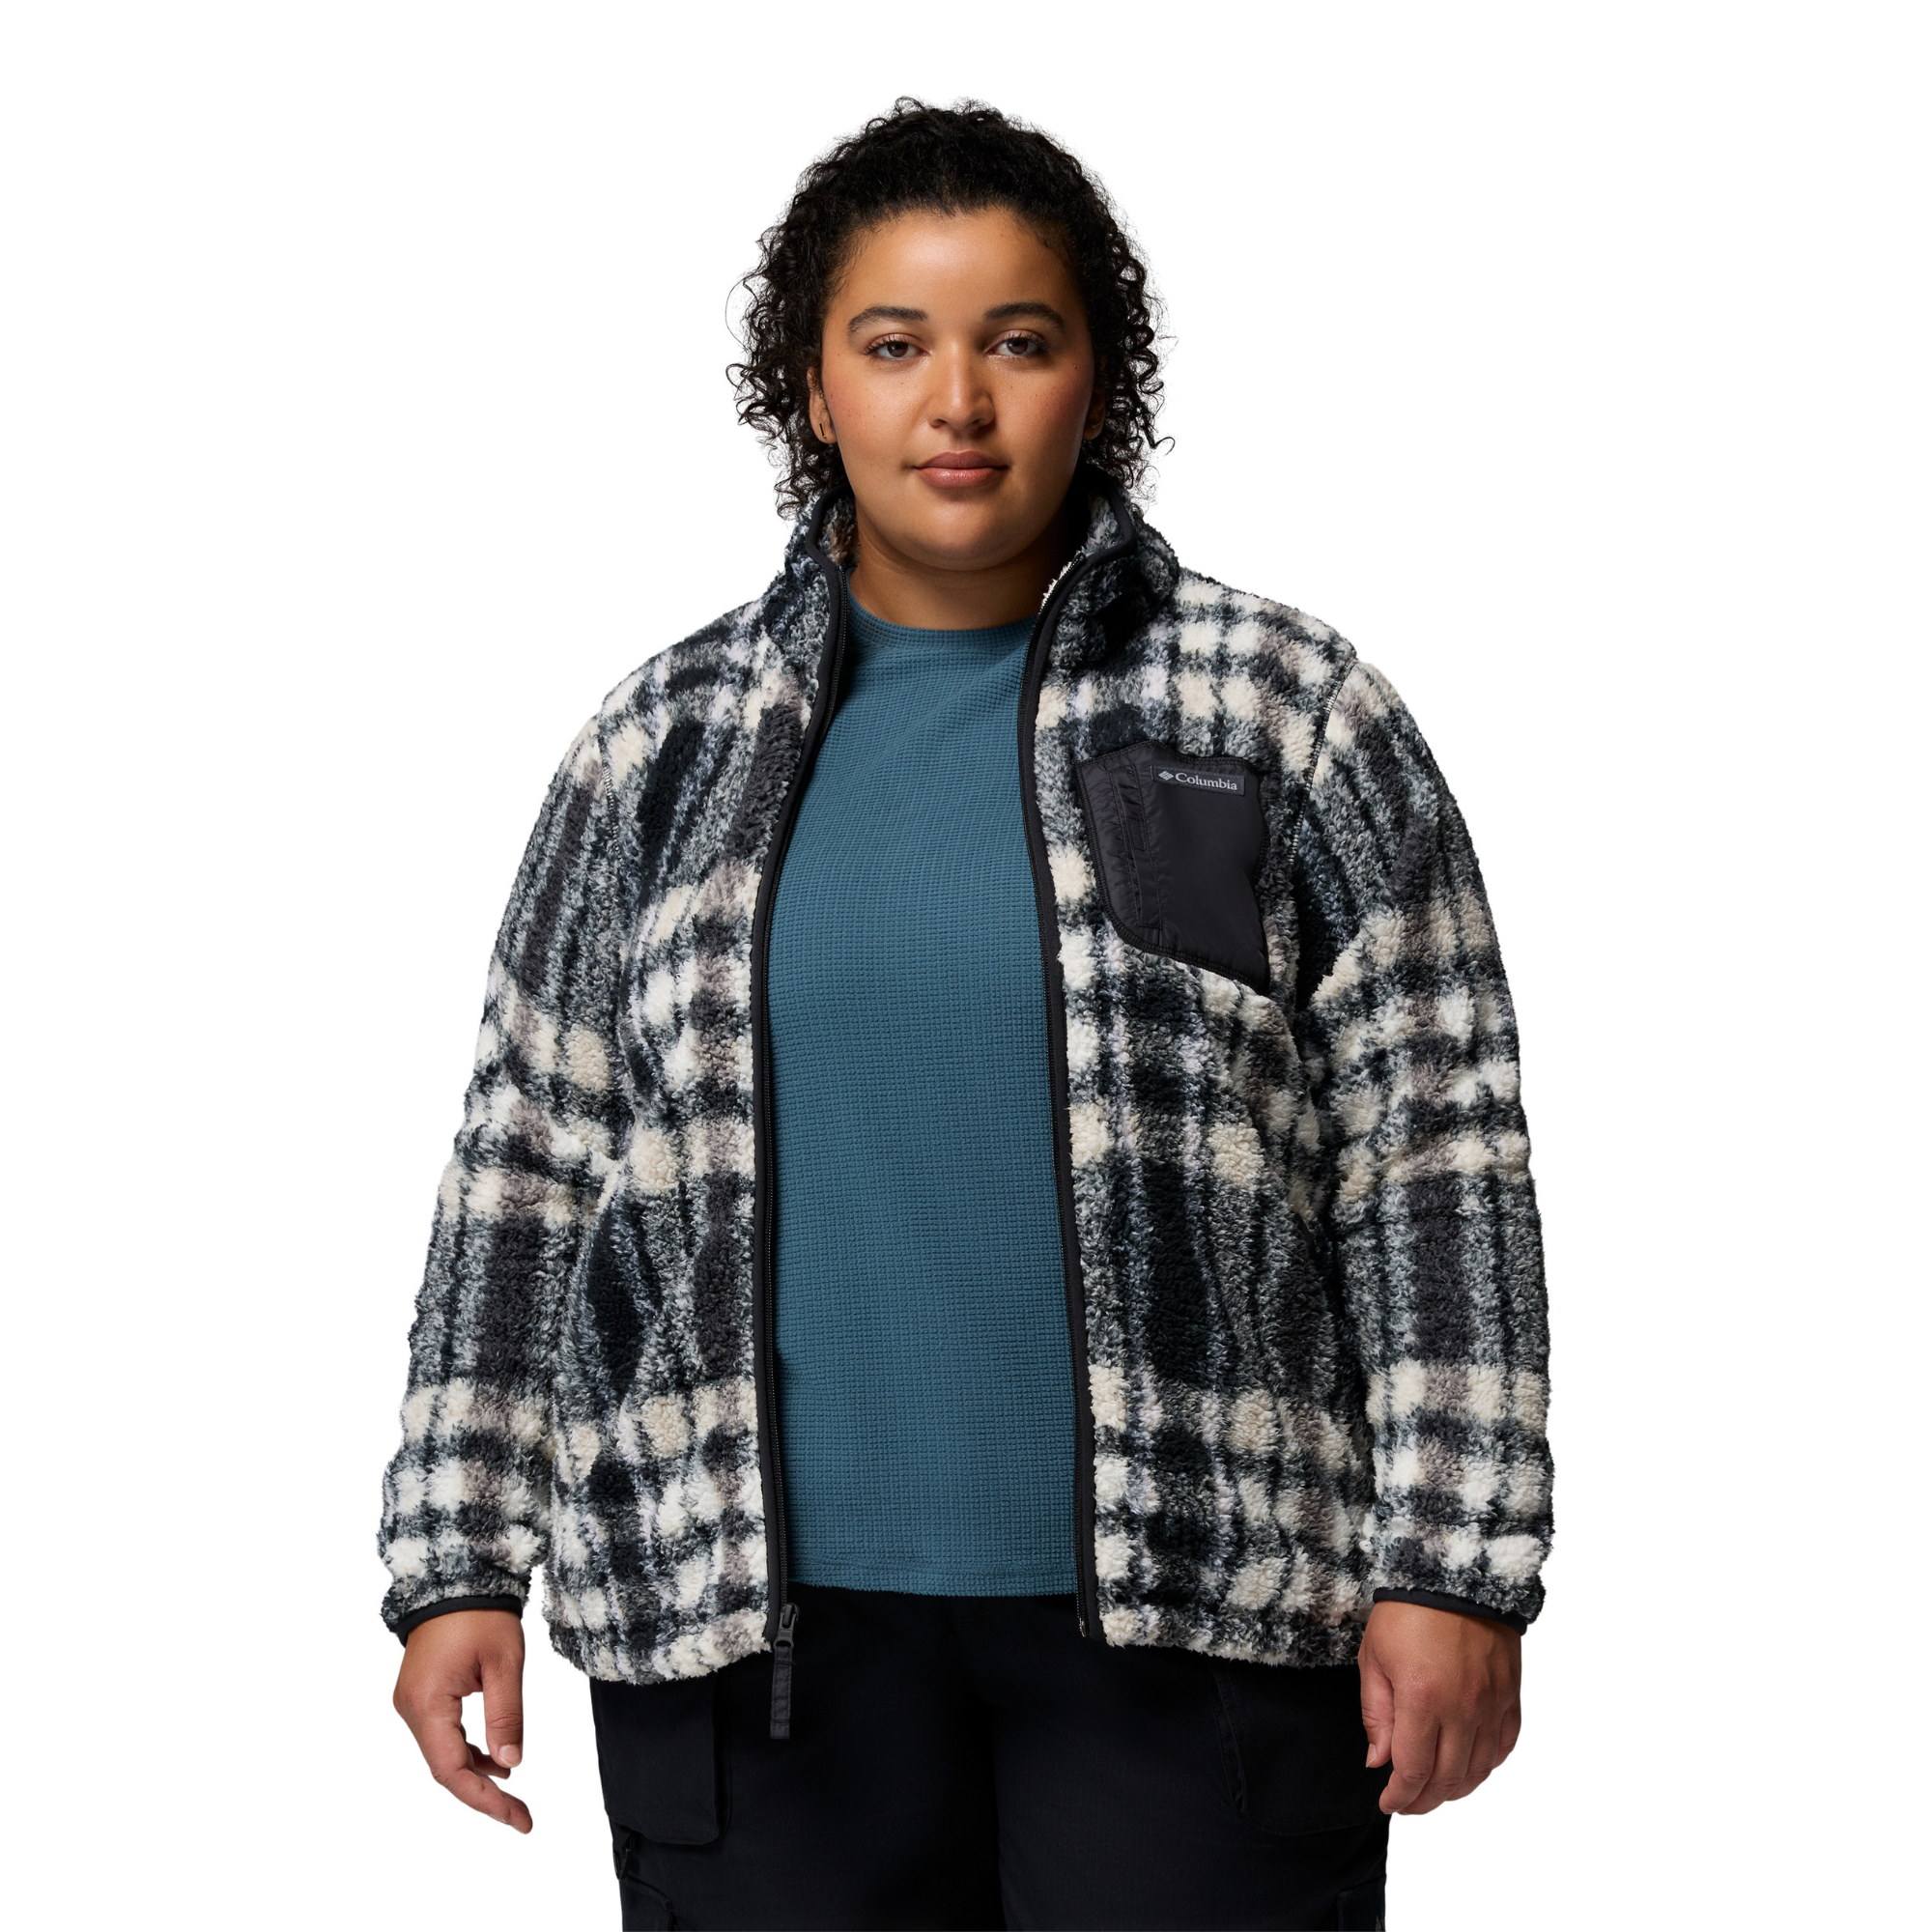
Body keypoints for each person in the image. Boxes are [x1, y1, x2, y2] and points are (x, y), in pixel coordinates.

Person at [378, 98, 1552, 1932]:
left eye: (1018, 340)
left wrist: (1457, 1568)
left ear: (1101, 377)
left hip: (1206, 1620)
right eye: (893, 345)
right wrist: (460, 1555)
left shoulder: (1285, 711)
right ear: (811, 387)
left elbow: (1433, 1157)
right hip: (744, 1641)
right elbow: (528, 1161)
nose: (958, 402)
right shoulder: (661, 747)